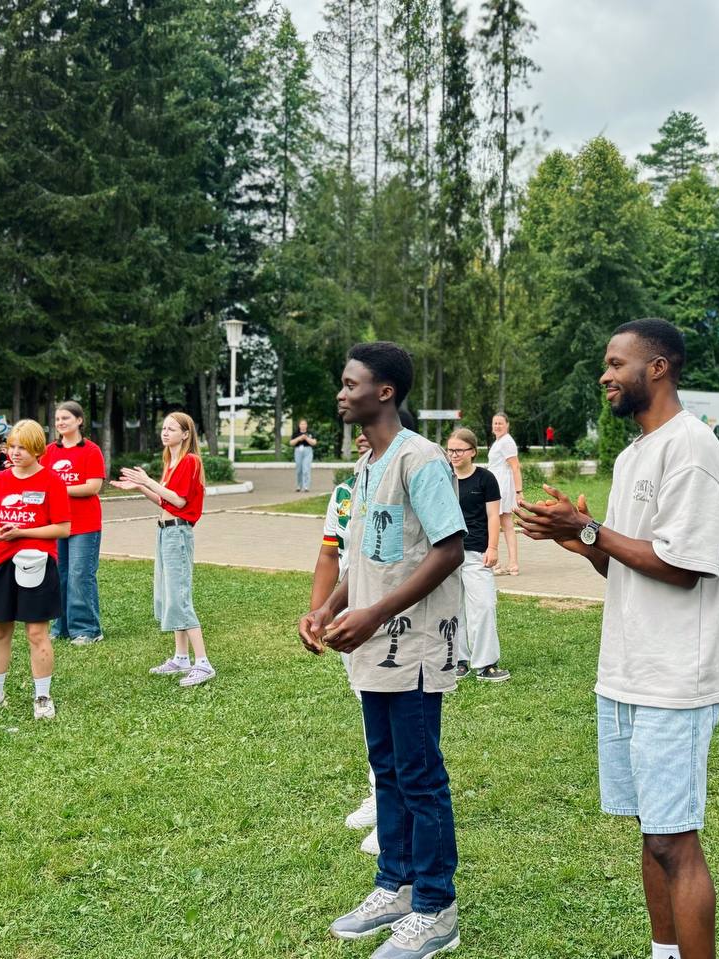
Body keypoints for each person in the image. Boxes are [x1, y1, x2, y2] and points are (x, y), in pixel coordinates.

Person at [515, 318, 719, 959]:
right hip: (626, 670)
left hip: (676, 675)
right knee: (652, 831)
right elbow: (625, 562)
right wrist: (583, 540)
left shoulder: (692, 448)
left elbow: (683, 564)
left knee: (675, 840)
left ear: (658, 367)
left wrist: (590, 531)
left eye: (617, 363)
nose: (605, 375)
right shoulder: (632, 455)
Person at [300, 342, 466, 959]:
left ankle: (436, 908)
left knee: (420, 776)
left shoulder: (419, 459)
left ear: (385, 392)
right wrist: (329, 608)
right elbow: (369, 557)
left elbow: (449, 549)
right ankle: (395, 885)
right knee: (388, 769)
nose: (341, 394)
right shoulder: (368, 465)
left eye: (351, 384)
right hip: (373, 646)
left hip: (413, 646)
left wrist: (376, 613)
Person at [0, 420, 71, 720]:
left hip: (36, 563)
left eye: (23, 447)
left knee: (36, 632)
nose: (15, 453)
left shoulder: (51, 481)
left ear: (37, 449)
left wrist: (22, 532)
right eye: (12, 447)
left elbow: (62, 528)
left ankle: (42, 696)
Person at [311, 429, 381, 857]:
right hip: (350, 617)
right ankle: (380, 793)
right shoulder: (344, 493)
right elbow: (330, 555)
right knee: (368, 707)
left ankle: (395, 810)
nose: (360, 436)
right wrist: (319, 613)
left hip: (392, 617)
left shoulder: (409, 483)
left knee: (392, 713)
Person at [113, 411, 215, 688]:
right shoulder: (171, 461)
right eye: (164, 428)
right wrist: (140, 486)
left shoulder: (190, 461)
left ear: (186, 434)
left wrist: (148, 481)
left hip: (178, 533)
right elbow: (164, 500)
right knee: (170, 595)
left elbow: (179, 502)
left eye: (172, 429)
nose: (165, 432)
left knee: (179, 596)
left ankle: (203, 663)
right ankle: (181, 658)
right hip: (165, 531)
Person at [445, 428, 510, 683]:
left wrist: (493, 548)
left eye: (459, 450)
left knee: (483, 606)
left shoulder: (486, 478)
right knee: (453, 608)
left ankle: (485, 664)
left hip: (476, 553)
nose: (454, 455)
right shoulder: (443, 477)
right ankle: (458, 661)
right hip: (447, 554)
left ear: (473, 451)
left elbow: (494, 516)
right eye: (450, 450)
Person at [42, 401, 106, 646]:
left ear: (79, 420)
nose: (60, 423)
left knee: (80, 576)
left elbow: (93, 486)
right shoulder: (49, 451)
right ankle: (62, 627)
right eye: (58, 419)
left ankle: (87, 630)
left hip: (84, 525)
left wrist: (58, 489)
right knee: (59, 576)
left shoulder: (91, 450)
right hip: (57, 524)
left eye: (66, 418)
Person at [487, 412, 522, 576]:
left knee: (500, 522)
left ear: (507, 425)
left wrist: (518, 492)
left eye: (500, 423)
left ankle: (505, 563)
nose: (497, 426)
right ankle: (506, 564)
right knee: (505, 524)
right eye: (495, 423)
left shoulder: (507, 442)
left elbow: (515, 466)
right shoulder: (499, 442)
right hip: (496, 483)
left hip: (502, 486)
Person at [291, 418, 318, 492]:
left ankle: (306, 486)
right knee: (299, 469)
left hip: (308, 451)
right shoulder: (296, 433)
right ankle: (299, 486)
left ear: (306, 425)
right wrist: (299, 438)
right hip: (298, 451)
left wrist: (306, 438)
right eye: (301, 424)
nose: (303, 425)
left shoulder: (310, 433)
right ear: (299, 425)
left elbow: (314, 442)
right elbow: (291, 443)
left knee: (306, 468)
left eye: (304, 424)